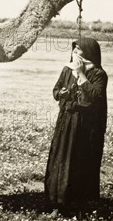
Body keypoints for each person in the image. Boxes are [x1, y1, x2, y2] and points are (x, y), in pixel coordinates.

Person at [45, 37, 108, 210]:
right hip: (66, 122)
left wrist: (81, 74)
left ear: (88, 53)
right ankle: (58, 200)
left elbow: (95, 98)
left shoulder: (98, 74)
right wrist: (61, 93)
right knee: (61, 157)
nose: (74, 53)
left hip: (84, 126)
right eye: (73, 50)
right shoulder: (67, 70)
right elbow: (55, 90)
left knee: (78, 160)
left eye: (78, 50)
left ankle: (78, 203)